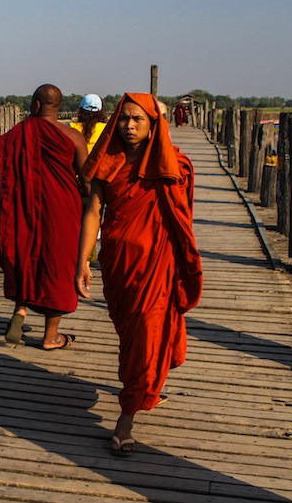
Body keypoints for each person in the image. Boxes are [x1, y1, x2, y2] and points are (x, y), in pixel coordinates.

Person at [75, 92, 203, 457]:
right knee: (131, 336)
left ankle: (125, 419)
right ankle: (144, 383)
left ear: (153, 125)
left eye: (138, 120)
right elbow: (93, 212)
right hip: (118, 265)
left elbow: (181, 222)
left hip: (157, 266)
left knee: (147, 334)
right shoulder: (107, 162)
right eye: (125, 118)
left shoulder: (173, 166)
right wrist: (83, 260)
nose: (130, 126)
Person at [0, 84, 89, 349]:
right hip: (63, 209)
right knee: (57, 267)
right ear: (59, 107)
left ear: (35, 105)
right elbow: (86, 180)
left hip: (24, 208)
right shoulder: (73, 137)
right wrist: (94, 212)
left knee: (26, 253)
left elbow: (7, 175)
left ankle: (22, 307)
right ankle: (51, 336)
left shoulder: (16, 134)